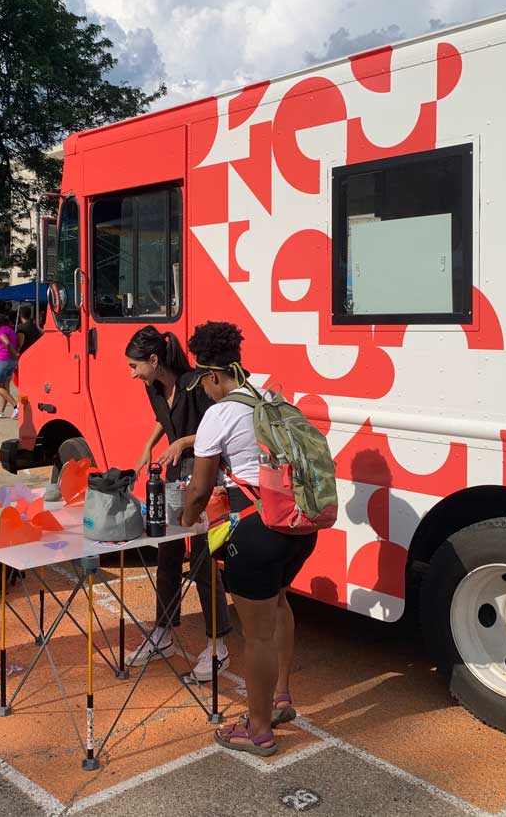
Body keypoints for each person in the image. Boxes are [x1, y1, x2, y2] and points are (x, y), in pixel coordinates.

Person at [181, 321, 317, 757]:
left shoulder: (218, 414)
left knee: (255, 635)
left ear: (213, 375)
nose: (202, 389)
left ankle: (258, 730)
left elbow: (200, 490)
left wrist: (185, 523)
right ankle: (280, 697)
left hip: (255, 533)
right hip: (297, 525)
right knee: (279, 604)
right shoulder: (271, 397)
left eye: (201, 380)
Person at [124, 326, 232, 680]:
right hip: (172, 477)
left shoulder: (195, 384)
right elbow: (161, 417)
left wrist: (183, 442)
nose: (132, 373)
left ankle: (218, 647)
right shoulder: (153, 387)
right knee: (167, 555)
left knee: (203, 560)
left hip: (203, 475)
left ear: (154, 361)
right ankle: (163, 633)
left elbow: (216, 430)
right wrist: (147, 446)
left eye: (135, 366)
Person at [0, 313, 19, 418]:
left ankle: (16, 406)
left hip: (2, 359)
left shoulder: (0, 331)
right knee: (5, 386)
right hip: (11, 361)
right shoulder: (11, 330)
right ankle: (1, 411)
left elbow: (7, 343)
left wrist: (13, 353)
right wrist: (15, 355)